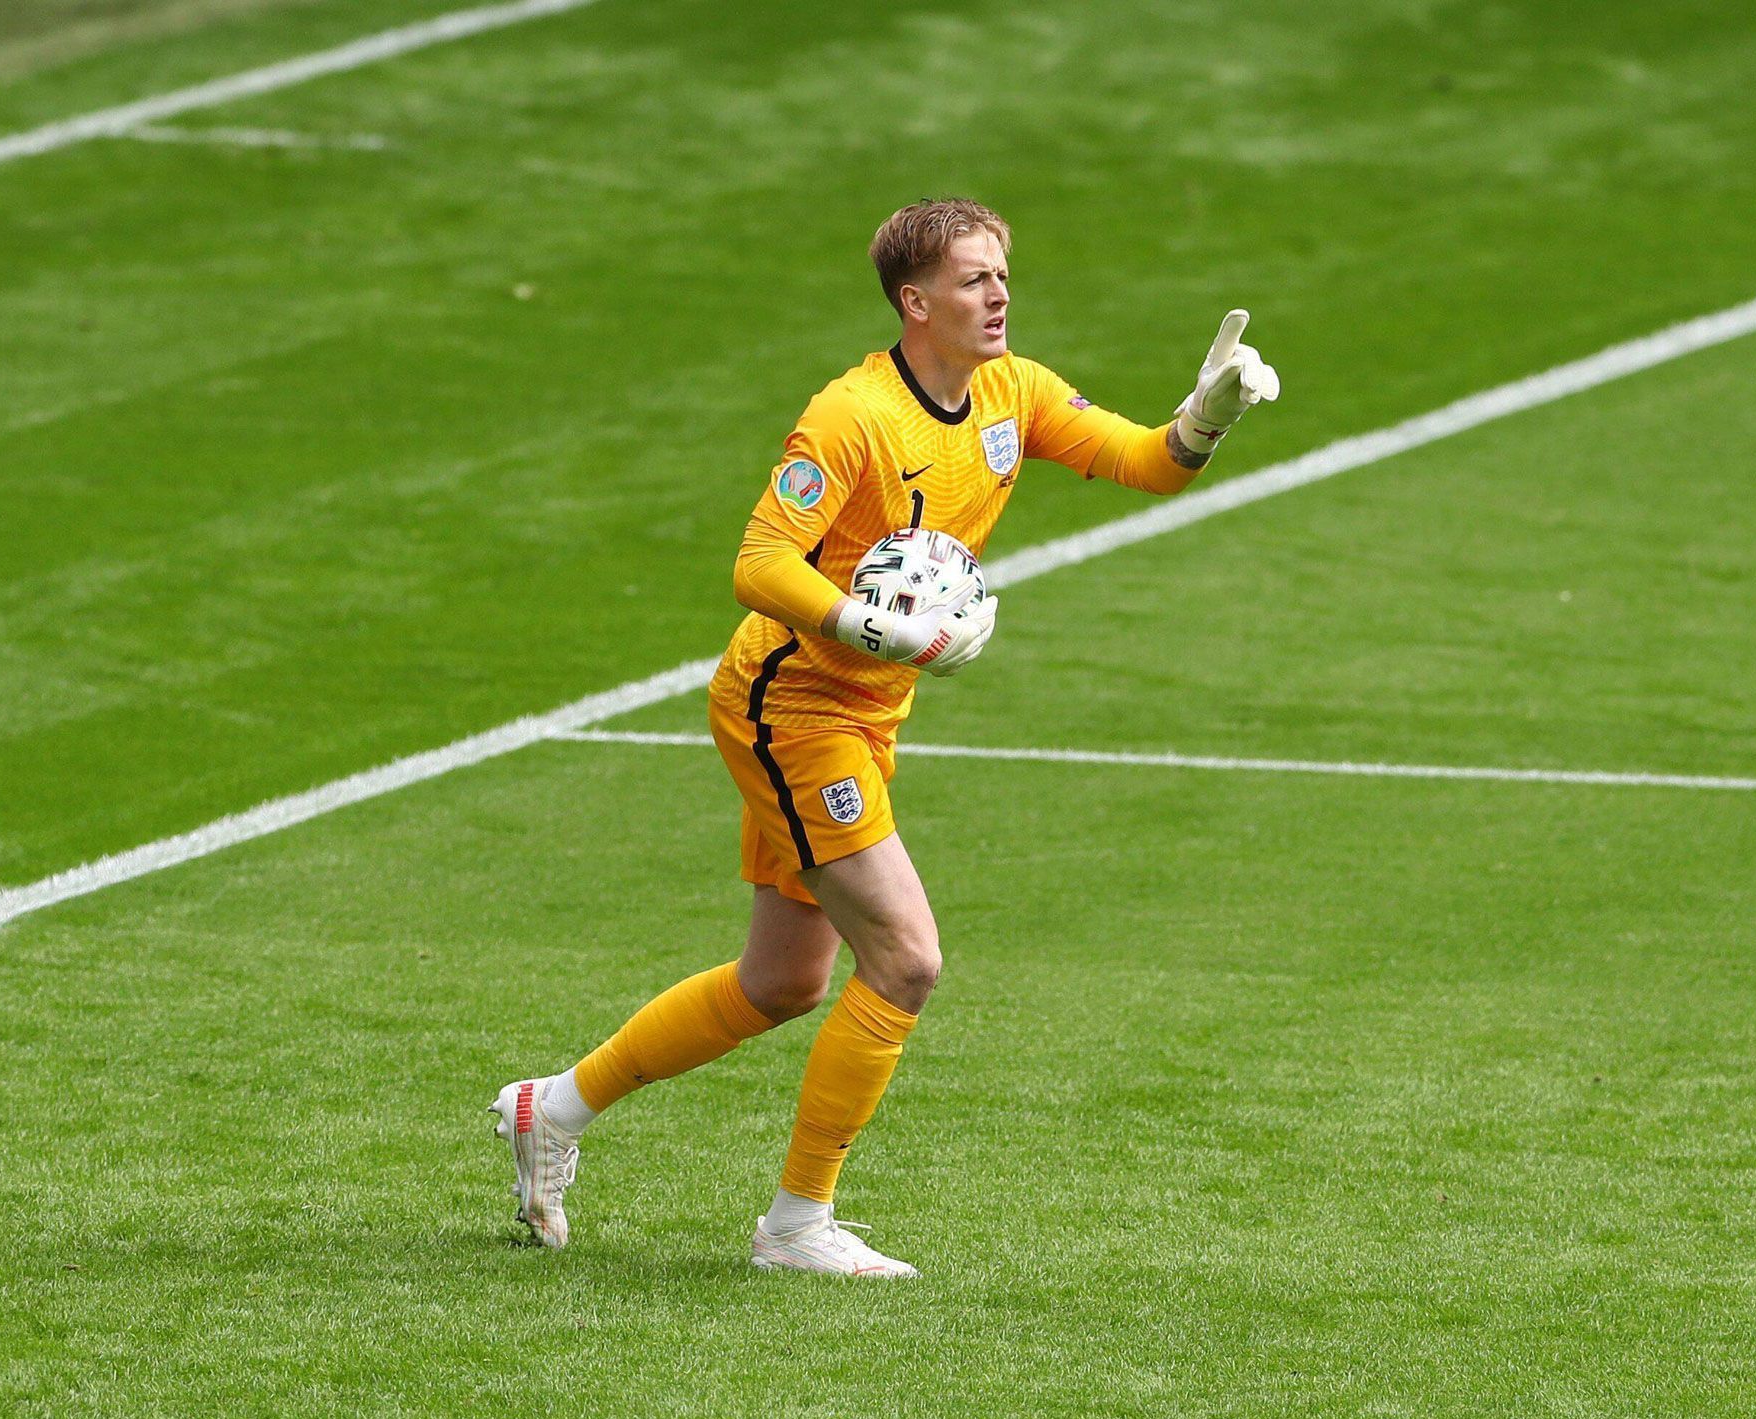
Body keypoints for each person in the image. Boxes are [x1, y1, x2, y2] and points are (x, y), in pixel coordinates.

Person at [491, 197, 1280, 1276]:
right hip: (792, 707)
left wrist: (1205, 419)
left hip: (864, 713)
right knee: (905, 961)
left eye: (1002, 274)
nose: (998, 295)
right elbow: (760, 565)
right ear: (916, 303)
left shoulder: (1014, 393)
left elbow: (1142, 462)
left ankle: (552, 1110)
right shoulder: (852, 416)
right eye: (972, 280)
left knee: (781, 984)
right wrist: (883, 627)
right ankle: (797, 1228)